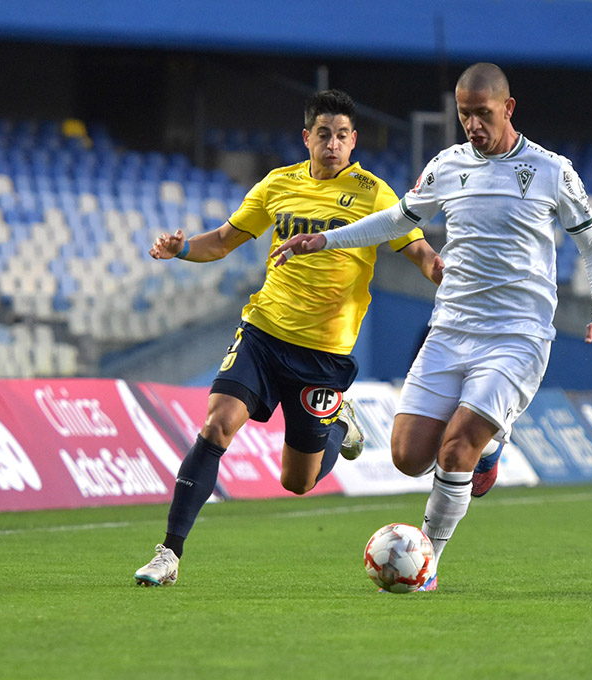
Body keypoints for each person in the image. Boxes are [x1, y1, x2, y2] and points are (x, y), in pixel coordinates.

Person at [271, 63, 592, 591]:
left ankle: (427, 561)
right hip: (451, 327)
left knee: (455, 449)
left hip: (517, 335)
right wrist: (325, 239)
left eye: (483, 113)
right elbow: (397, 220)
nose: (473, 124)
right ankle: (492, 449)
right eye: (464, 114)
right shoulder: (447, 166)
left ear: (508, 108)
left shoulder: (552, 171)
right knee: (408, 456)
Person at [134, 89, 443, 586]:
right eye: (324, 134)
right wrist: (183, 248)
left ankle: (341, 425)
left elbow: (421, 253)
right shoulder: (278, 185)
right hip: (264, 331)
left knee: (296, 482)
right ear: (307, 137)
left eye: (343, 136)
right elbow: (223, 241)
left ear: (354, 140)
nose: (333, 144)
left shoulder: (375, 194)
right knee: (216, 426)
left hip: (323, 354)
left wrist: (444, 272)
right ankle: (168, 554)